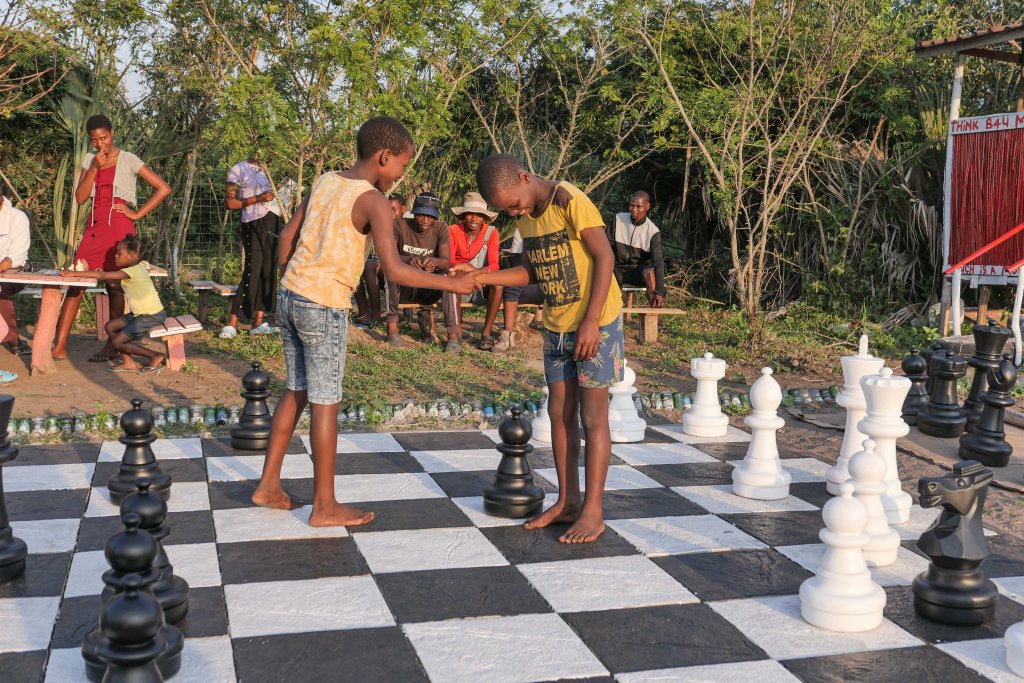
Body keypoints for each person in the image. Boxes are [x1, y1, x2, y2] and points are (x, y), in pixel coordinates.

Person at [251, 116, 475, 527]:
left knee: (296, 390)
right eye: (403, 164)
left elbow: (286, 238)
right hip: (324, 303)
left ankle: (268, 485)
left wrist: (288, 283)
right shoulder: (372, 200)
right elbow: (395, 270)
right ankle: (324, 505)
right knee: (325, 402)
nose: (401, 174)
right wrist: (452, 284)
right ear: (384, 156)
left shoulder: (325, 181)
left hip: (291, 294)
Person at [465, 153, 623, 544]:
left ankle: (593, 510)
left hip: (596, 324)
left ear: (524, 177)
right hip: (556, 326)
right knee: (559, 414)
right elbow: (532, 272)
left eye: (514, 203)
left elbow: (605, 256)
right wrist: (483, 276)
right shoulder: (525, 217)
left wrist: (591, 321)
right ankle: (568, 501)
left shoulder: (568, 199)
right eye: (506, 210)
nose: (514, 211)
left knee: (593, 418)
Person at [52, 114, 171, 362]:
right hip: (94, 227)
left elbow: (163, 188)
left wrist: (137, 213)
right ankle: (59, 346)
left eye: (104, 138)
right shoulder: (90, 160)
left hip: (118, 227)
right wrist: (95, 167)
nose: (100, 144)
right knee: (76, 283)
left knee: (115, 287)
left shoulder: (129, 159)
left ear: (112, 133)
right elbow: (81, 198)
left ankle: (111, 346)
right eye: (94, 140)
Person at [61, 235, 167, 374]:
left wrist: (73, 274)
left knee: (118, 342)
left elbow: (102, 276)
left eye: (119, 253)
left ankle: (155, 355)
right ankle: (128, 362)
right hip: (140, 314)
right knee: (110, 327)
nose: (115, 256)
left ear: (132, 257)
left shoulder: (131, 271)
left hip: (150, 315)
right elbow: (121, 288)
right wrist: (106, 278)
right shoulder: (136, 269)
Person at [379, 193, 460, 352]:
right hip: (404, 288)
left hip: (428, 289)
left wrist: (434, 263)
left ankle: (453, 336)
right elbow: (389, 255)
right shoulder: (399, 224)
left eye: (430, 216)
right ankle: (392, 328)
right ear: (413, 212)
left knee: (447, 278)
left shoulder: (441, 227)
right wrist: (408, 260)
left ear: (436, 217)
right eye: (421, 214)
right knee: (391, 273)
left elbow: (446, 260)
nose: (425, 220)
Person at [220, 154, 281, 339]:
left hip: (273, 222)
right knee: (251, 271)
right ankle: (232, 323)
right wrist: (258, 198)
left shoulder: (269, 169)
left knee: (268, 271)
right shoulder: (239, 169)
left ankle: (258, 322)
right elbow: (229, 203)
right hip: (253, 224)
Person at [478, 227, 544, 352]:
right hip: (531, 283)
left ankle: (565, 333)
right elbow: (517, 263)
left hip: (554, 284)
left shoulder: (560, 226)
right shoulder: (523, 227)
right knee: (511, 284)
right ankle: (508, 336)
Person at [609, 191, 666, 308]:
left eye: (638, 206)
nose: (634, 209)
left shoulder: (652, 231)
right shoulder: (618, 219)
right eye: (632, 205)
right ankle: (608, 312)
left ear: (647, 207)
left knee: (649, 273)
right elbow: (606, 246)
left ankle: (654, 310)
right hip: (616, 269)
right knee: (602, 270)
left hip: (636, 272)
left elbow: (658, 262)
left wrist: (660, 291)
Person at [0, 184, 30, 356]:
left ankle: (12, 338)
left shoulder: (17, 217)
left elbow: (15, 259)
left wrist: (3, 267)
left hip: (14, 273)